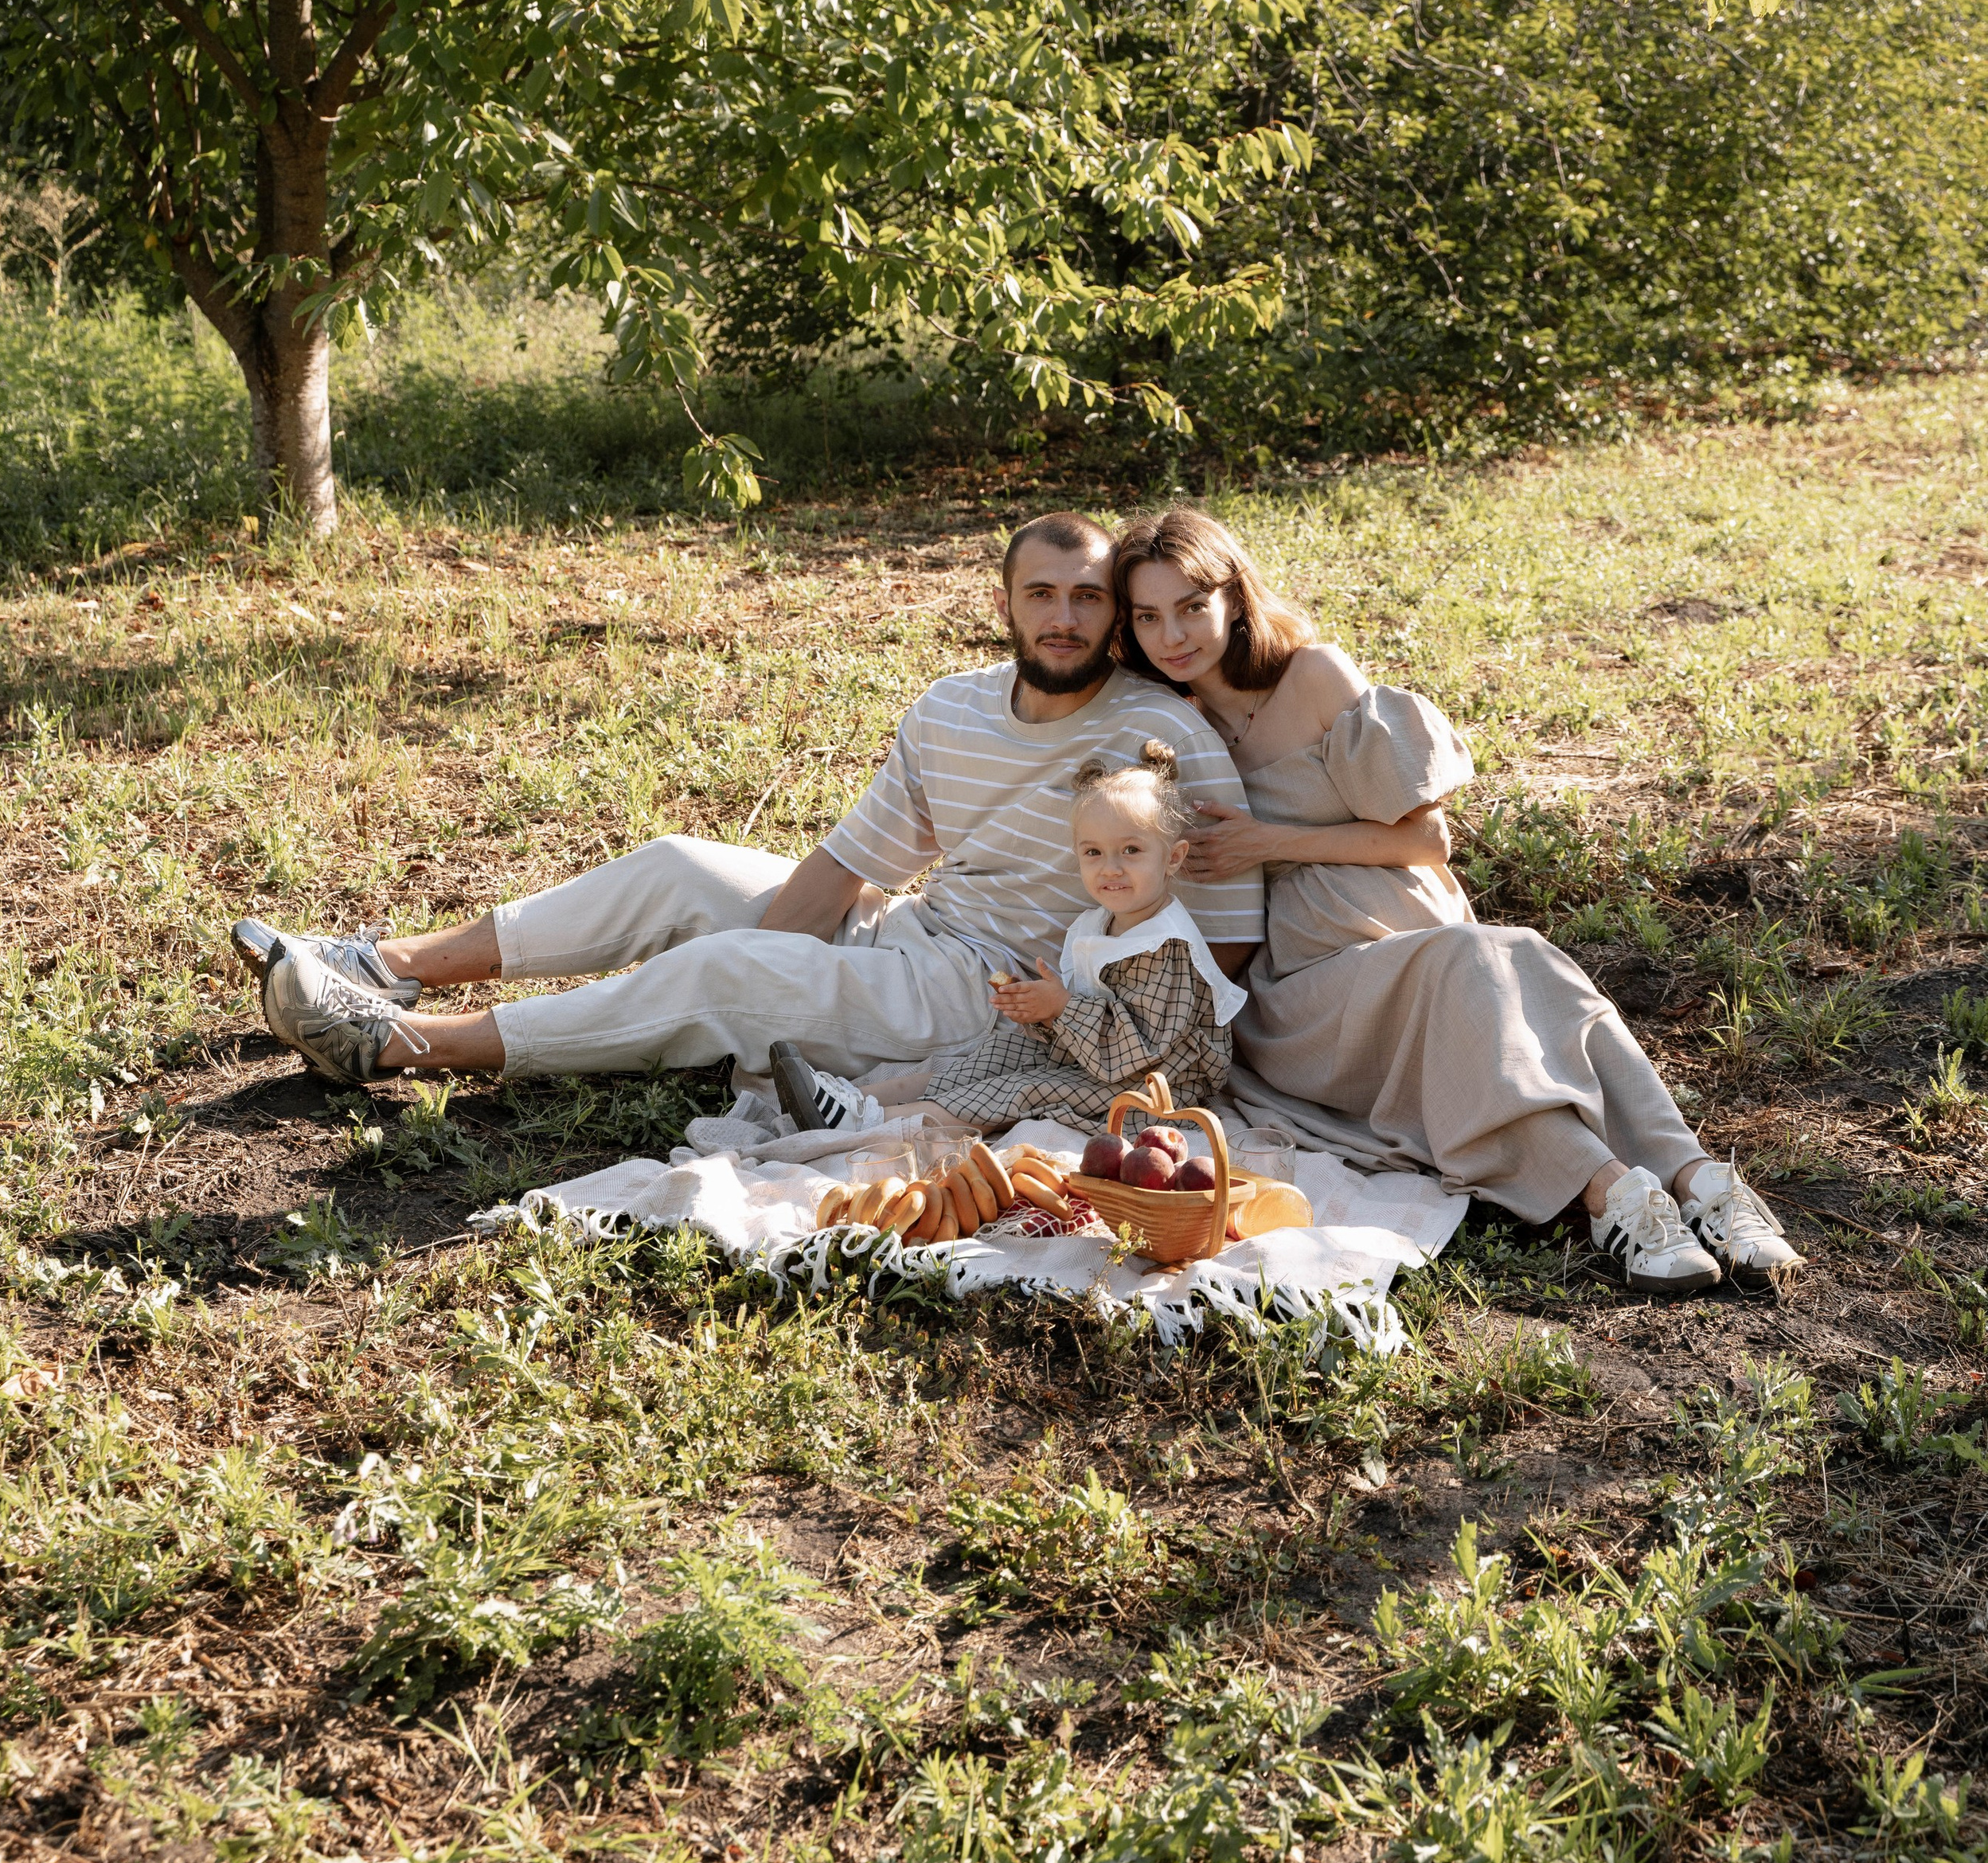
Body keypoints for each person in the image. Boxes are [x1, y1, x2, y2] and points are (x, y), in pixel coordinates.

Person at [235, 513, 1265, 1092]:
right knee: (682, 867)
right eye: (1042, 593)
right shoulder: (952, 708)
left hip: (996, 995)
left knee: (725, 971)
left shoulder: (1161, 734)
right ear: (1003, 604)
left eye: (1087, 597)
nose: (1064, 616)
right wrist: (784, 962)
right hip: (913, 931)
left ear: (1113, 615)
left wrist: (1091, 1030)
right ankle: (384, 966)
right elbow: (852, 861)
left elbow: (1221, 943)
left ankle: (396, 1044)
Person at [1110, 506, 1801, 1297]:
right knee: (1491, 962)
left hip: (1416, 932)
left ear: (1233, 597)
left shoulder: (1313, 677)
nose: (1173, 635)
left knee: (1509, 963)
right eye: (1148, 617)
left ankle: (1695, 1180)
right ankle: (1614, 1193)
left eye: (1191, 606)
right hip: (1312, 990)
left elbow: (1427, 840)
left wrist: (1270, 840)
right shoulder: (1170, 727)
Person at [777, 739, 1244, 1135]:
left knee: (1027, 1088)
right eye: (1094, 853)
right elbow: (1093, 1014)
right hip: (1101, 1057)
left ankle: (876, 1122)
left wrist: (1062, 1008)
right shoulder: (1100, 923)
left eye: (1131, 850)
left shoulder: (1166, 947)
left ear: (1173, 857)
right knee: (1000, 1052)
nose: (1111, 868)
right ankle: (851, 1098)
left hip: (1157, 1090)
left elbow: (1141, 1052)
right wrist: (1042, 1010)